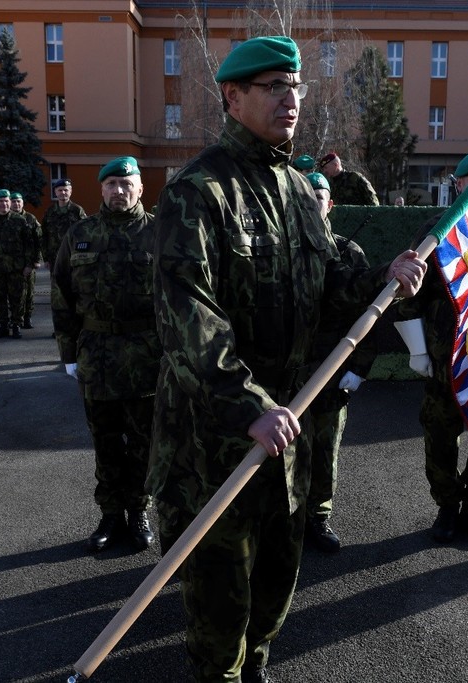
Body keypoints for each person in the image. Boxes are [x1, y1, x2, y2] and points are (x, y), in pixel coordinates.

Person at [148, 36, 427, 682]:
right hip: (219, 442)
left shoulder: (303, 191)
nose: (290, 98)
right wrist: (249, 405)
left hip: (288, 432)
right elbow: (188, 318)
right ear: (233, 97)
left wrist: (384, 275)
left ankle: (258, 662)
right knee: (220, 604)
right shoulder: (199, 193)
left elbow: (334, 275)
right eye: (273, 86)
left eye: (294, 85)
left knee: (276, 580)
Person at [392, 150, 468, 547]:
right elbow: (408, 297)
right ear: (459, 186)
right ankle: (447, 506)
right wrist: (418, 350)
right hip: (446, 363)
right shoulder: (437, 231)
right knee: (439, 437)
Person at [52, 157, 159, 553]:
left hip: (148, 358)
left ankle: (138, 511)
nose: (119, 190)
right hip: (97, 357)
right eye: (111, 183)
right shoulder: (80, 234)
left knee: (145, 443)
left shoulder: (160, 234)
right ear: (100, 189)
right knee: (105, 442)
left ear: (140, 188)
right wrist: (68, 353)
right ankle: (110, 515)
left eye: (126, 182)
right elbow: (61, 296)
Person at [299, 171, 377, 554]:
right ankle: (287, 519)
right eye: (307, 196)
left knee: (325, 447)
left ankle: (318, 517)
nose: (314, 202)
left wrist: (358, 367)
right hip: (290, 371)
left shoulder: (349, 252)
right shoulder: (282, 250)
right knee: (285, 450)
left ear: (331, 204)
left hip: (331, 368)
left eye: (320, 196)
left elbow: (369, 314)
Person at [0, 189, 37, 339]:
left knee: (17, 298)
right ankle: (3, 326)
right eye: (1, 201)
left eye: (6, 201)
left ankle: (16, 325)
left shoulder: (20, 220)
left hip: (16, 268)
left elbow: (29, 245)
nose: (4, 204)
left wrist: (29, 265)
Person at [41, 178, 87, 276]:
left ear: (70, 192)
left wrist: (83, 254)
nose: (63, 192)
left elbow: (85, 233)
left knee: (74, 285)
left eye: (66, 190)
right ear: (55, 192)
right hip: (54, 257)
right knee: (56, 285)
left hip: (73, 255)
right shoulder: (49, 212)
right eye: (60, 190)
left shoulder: (77, 210)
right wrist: (45, 258)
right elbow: (44, 235)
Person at [10, 192, 43, 329]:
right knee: (13, 293)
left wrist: (37, 260)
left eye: (19, 201)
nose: (16, 204)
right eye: (14, 201)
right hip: (11, 264)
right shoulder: (7, 218)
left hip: (28, 262)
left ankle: (27, 318)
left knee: (29, 292)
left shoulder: (30, 218)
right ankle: (15, 318)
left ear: (22, 203)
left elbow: (39, 240)